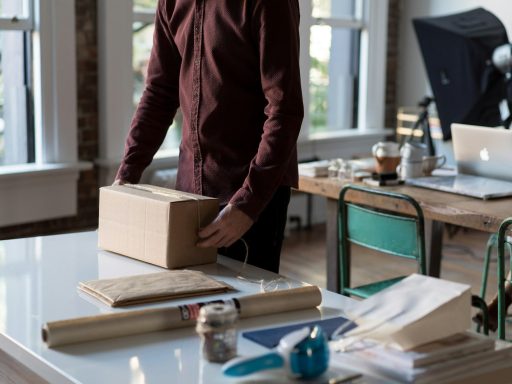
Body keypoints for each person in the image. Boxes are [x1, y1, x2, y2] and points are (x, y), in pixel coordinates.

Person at [114, 0, 303, 273]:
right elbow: (159, 94)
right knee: (191, 307)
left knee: (245, 311)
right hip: (189, 196)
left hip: (251, 194)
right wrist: (125, 177)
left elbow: (284, 110)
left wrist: (247, 204)